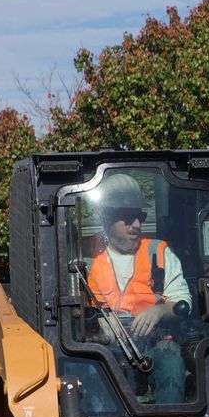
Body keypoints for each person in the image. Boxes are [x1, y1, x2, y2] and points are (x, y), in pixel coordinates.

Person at [85, 172, 191, 403]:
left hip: (153, 344)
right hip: (103, 347)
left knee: (171, 360)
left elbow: (183, 304)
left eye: (139, 216)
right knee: (87, 369)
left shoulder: (159, 253)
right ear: (108, 218)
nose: (136, 224)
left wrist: (159, 311)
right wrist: (96, 320)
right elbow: (69, 312)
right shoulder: (87, 261)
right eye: (128, 217)